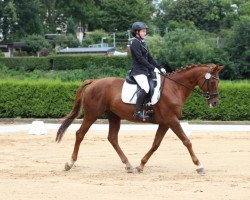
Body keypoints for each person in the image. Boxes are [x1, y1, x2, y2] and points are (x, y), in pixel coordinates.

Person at [129, 21, 166, 121]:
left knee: (155, 85)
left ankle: (150, 108)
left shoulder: (143, 42)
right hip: (138, 71)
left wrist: (159, 67)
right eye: (143, 31)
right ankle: (137, 112)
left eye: (145, 31)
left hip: (145, 71)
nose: (145, 33)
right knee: (145, 88)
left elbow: (149, 57)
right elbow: (140, 59)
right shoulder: (134, 42)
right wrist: (152, 68)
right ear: (137, 32)